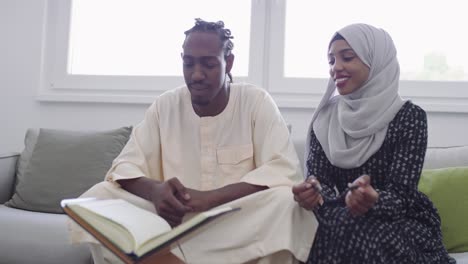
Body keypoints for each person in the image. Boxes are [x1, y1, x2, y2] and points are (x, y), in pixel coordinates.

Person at [70, 18, 317, 264]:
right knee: (98, 196)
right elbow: (124, 168)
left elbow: (282, 170)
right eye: (189, 64)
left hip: (234, 221)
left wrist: (210, 198)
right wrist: (155, 191)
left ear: (228, 62)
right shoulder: (165, 105)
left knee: (286, 203)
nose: (196, 75)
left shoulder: (256, 102)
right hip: (172, 222)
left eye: (208, 64)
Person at [292, 23, 455, 263]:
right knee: (319, 228)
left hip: (399, 220)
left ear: (376, 61)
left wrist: (374, 199)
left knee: (357, 231)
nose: (336, 67)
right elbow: (320, 180)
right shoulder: (324, 119)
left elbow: (403, 196)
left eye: (347, 57)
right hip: (339, 214)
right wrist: (314, 192)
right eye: (331, 60)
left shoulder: (409, 117)